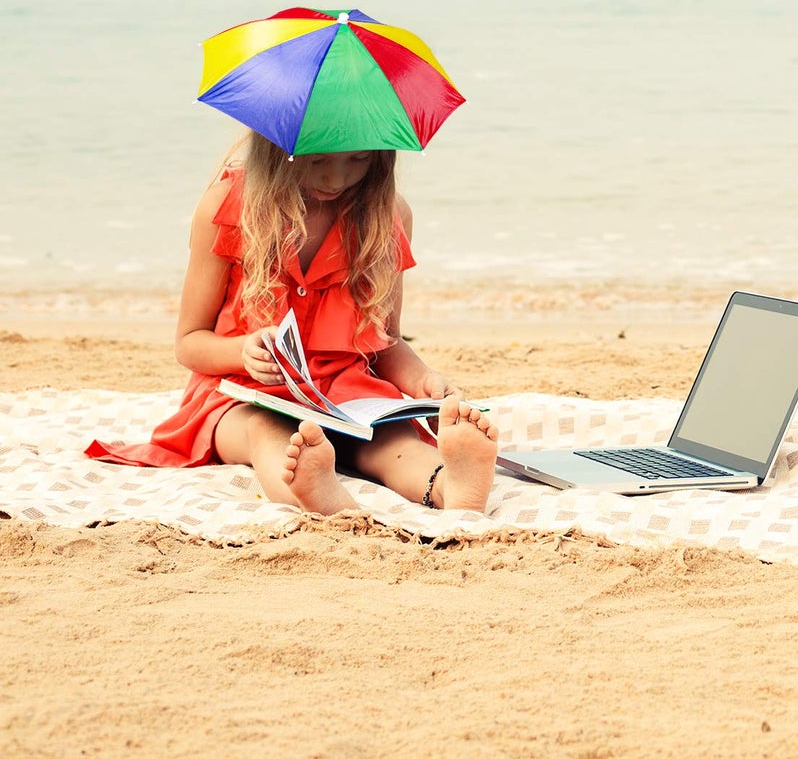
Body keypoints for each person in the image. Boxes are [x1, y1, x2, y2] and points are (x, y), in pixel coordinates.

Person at [87, 131, 497, 515]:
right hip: (243, 395)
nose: (336, 177)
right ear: (275, 149)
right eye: (317, 159)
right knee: (269, 432)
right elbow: (189, 343)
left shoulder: (386, 215)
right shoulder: (226, 207)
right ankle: (316, 495)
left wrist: (424, 380)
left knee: (394, 441)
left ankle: (451, 488)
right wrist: (243, 352)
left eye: (359, 158)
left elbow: (385, 343)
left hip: (346, 396)